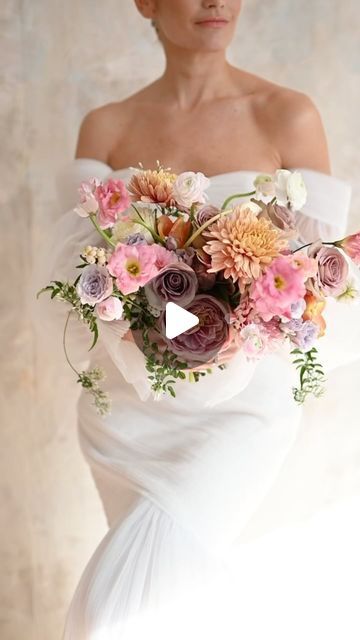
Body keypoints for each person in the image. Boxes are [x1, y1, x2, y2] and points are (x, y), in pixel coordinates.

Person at [33, 1, 360, 638]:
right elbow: (77, 270)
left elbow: (326, 282)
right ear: (146, 3)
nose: (217, 1)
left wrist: (239, 317)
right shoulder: (106, 126)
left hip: (241, 409)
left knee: (114, 610)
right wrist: (154, 315)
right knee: (176, 601)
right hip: (131, 403)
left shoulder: (288, 115)